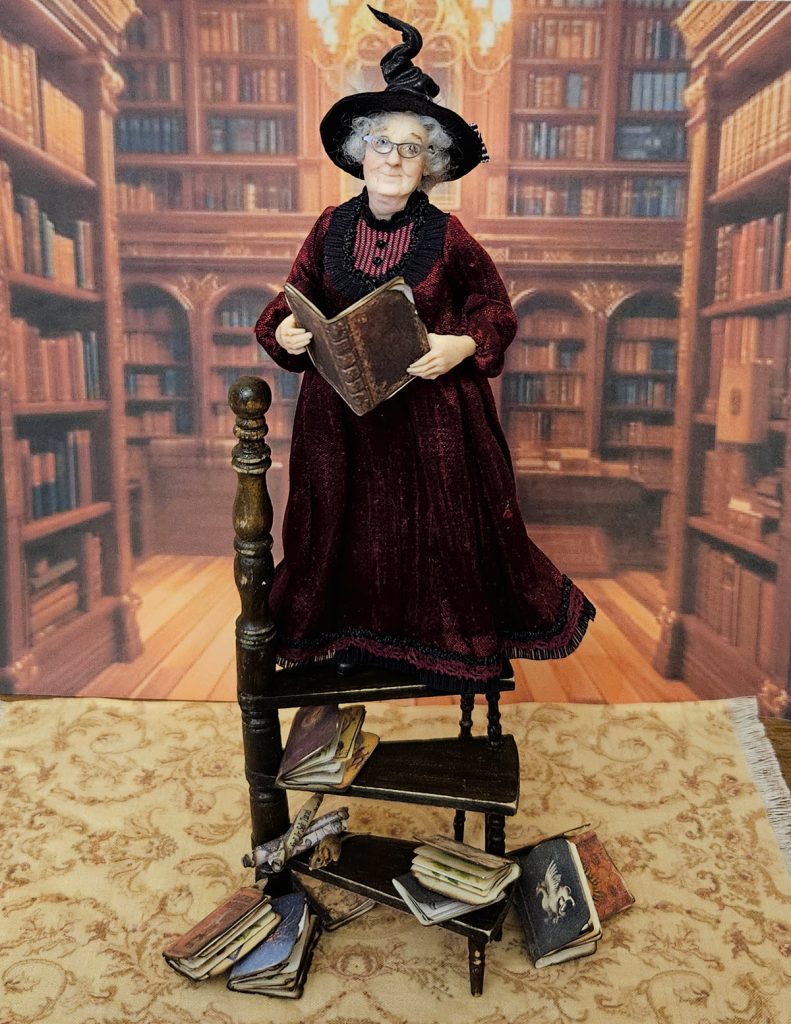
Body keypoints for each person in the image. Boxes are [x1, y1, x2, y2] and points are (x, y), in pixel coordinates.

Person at [254, 6, 595, 694]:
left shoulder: (449, 232)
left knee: (435, 533)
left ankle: (436, 643)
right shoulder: (328, 226)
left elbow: (494, 312)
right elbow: (286, 302)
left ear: (431, 163)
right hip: (340, 419)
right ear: (358, 153)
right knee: (339, 528)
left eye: (411, 148)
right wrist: (286, 332)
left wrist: (460, 343)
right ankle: (346, 640)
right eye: (381, 144)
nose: (392, 159)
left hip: (430, 418)